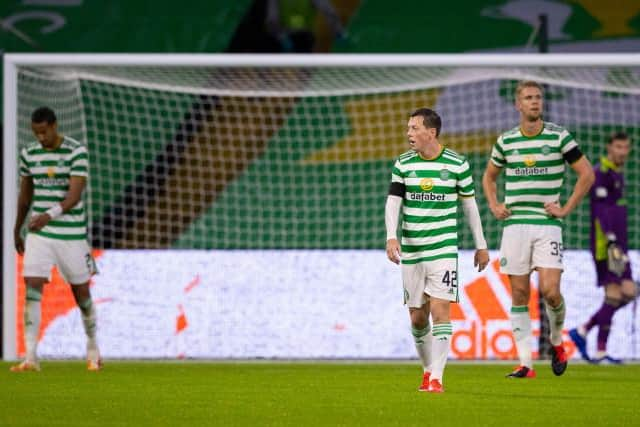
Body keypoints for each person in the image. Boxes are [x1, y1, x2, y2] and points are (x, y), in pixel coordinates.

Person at [482, 80, 595, 379]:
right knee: (518, 295)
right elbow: (489, 177)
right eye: (529, 98)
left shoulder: (559, 136)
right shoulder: (506, 141)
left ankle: (557, 342)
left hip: (547, 225)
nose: (535, 102)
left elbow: (587, 174)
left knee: (550, 291)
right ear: (518, 104)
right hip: (515, 225)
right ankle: (526, 364)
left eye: (538, 97)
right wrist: (494, 205)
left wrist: (566, 208)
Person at [385, 108, 489, 393]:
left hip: (443, 250)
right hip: (413, 251)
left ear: (431, 132)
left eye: (414, 128)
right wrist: (391, 237)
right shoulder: (404, 164)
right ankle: (427, 369)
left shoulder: (457, 164)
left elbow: (470, 205)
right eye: (408, 128)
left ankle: (437, 378)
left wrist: (481, 245)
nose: (409, 134)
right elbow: (393, 202)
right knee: (418, 318)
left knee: (441, 310)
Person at [11, 106, 101, 372]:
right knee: (32, 285)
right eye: (36, 132)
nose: (40, 137)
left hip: (71, 234)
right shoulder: (29, 154)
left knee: (81, 293)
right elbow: (25, 196)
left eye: (44, 132)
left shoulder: (76, 152)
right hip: (40, 233)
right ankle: (30, 356)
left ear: (54, 125)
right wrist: (17, 229)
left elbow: (73, 197)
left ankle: (93, 347)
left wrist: (48, 215)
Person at [569, 132, 636, 364]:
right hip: (607, 246)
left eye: (626, 147)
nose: (622, 151)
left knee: (623, 294)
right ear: (609, 147)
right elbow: (600, 211)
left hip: (619, 245)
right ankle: (594, 342)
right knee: (620, 293)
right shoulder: (600, 173)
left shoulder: (617, 173)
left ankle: (589, 335)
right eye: (618, 146)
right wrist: (610, 241)